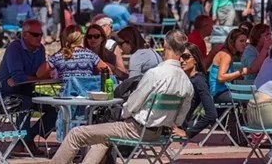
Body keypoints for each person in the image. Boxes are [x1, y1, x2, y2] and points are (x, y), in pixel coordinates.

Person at [50, 30, 194, 164]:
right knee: (101, 139)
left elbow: (132, 105)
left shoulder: (155, 74)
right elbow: (179, 119)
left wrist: (123, 114)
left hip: (136, 129)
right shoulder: (187, 82)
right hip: (159, 134)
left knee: (76, 133)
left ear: (165, 45)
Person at [0, 20, 57, 156]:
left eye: (41, 34)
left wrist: (36, 77)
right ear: (25, 35)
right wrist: (36, 77)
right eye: (35, 34)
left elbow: (40, 74)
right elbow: (19, 77)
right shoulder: (14, 48)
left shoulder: (40, 49)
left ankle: (27, 139)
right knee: (25, 103)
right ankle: (25, 142)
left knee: (57, 106)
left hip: (27, 93)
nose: (39, 38)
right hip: (4, 96)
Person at [37, 25, 105, 93]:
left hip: (66, 96)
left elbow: (39, 74)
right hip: (86, 95)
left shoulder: (58, 56)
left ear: (64, 38)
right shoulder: (90, 55)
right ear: (80, 38)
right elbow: (107, 71)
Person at [179, 42, 217, 140]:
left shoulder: (199, 81)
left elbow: (211, 114)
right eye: (179, 57)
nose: (181, 60)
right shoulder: (185, 79)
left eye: (185, 57)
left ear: (195, 59)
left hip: (173, 125)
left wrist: (189, 133)